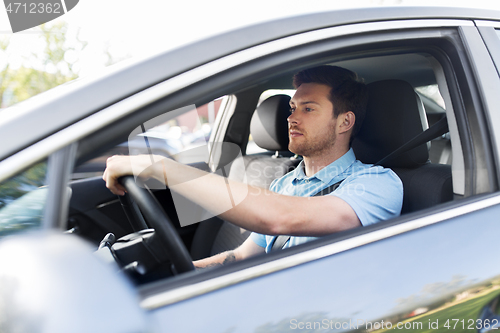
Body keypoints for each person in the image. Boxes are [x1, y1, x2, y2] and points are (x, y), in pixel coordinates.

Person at [103, 65, 403, 269]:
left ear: (344, 122)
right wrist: (179, 274)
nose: (292, 118)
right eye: (292, 108)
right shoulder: (285, 185)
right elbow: (243, 255)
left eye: (308, 108)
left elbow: (278, 217)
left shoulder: (378, 184)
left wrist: (162, 167)